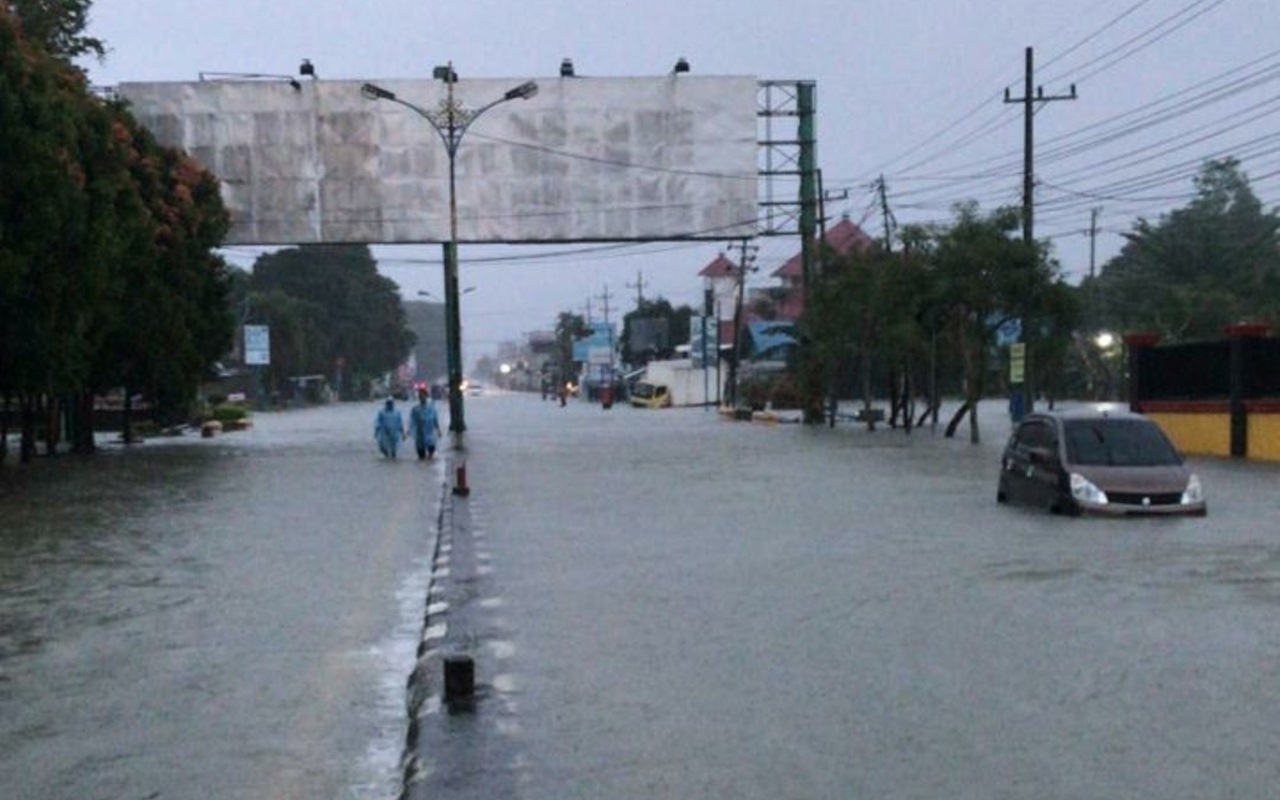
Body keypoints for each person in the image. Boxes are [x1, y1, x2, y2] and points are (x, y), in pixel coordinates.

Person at [407, 389, 442, 460]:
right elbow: (412, 422)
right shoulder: (415, 409)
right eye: (420, 396)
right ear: (419, 398)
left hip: (430, 435)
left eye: (423, 396)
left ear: (426, 396)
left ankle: (429, 464)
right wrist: (408, 432)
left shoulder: (431, 408)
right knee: (421, 457)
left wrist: (438, 430)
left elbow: (435, 419)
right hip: (420, 435)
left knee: (431, 452)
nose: (422, 397)